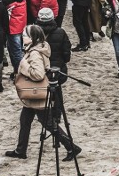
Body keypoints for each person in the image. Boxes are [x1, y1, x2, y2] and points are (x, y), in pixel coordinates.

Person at [5, 25, 81, 160]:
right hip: (34, 93)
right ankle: (20, 150)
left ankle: (71, 147)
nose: (23, 37)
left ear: (33, 37)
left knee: (49, 124)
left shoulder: (35, 53)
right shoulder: (37, 48)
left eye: (26, 35)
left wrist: (24, 65)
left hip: (36, 92)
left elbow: (38, 74)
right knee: (25, 120)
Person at [0, 0, 27, 72]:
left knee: (16, 51)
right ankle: (17, 71)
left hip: (13, 26)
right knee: (16, 50)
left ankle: (20, 73)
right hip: (19, 23)